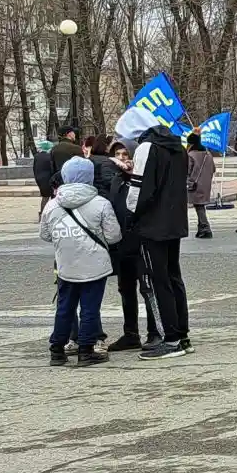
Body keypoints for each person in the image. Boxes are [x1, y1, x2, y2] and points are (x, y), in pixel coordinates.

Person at [38, 157, 121, 367]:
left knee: (64, 308)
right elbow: (114, 236)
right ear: (90, 177)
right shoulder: (101, 203)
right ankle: (86, 350)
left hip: (65, 265)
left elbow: (45, 235)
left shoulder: (52, 204)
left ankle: (57, 350)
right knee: (90, 309)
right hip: (95, 265)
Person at [124, 120, 192, 359]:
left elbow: (138, 189)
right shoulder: (179, 148)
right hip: (175, 222)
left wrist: (130, 216)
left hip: (152, 224)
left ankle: (170, 339)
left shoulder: (147, 148)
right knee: (174, 277)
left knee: (156, 281)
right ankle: (182, 334)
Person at [92, 140, 156, 352]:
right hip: (122, 245)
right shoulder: (116, 181)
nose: (122, 159)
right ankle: (131, 334)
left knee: (148, 289)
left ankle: (155, 332)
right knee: (126, 289)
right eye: (118, 154)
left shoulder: (145, 180)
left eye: (126, 154)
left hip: (143, 244)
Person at [185, 132, 216, 239]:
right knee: (200, 206)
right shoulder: (208, 154)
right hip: (206, 184)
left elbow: (187, 170)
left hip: (194, 184)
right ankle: (201, 229)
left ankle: (206, 228)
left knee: (199, 206)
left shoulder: (191, 155)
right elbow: (213, 169)